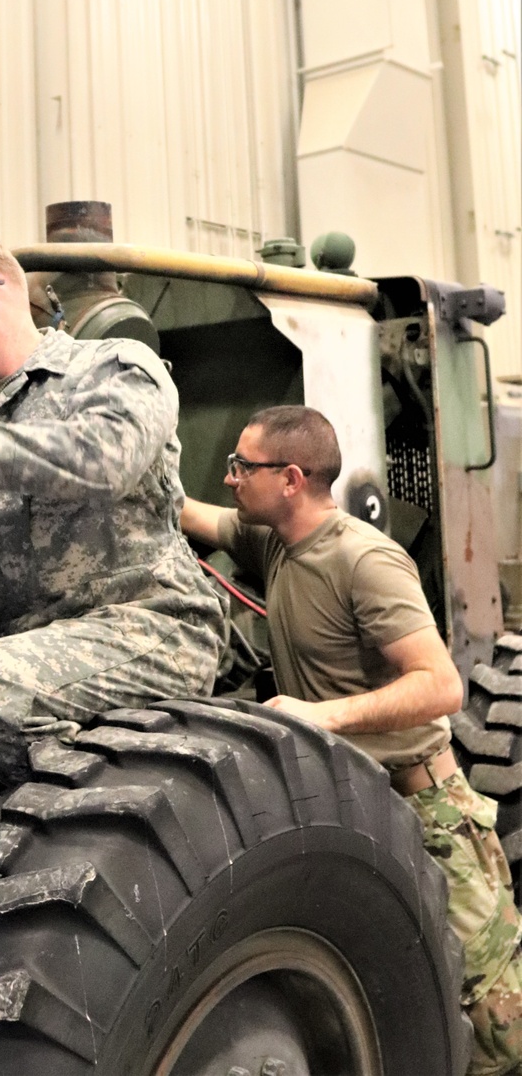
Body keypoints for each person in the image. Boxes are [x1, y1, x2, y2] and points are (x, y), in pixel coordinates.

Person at [179, 404, 522, 1076]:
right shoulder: (270, 540)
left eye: (241, 467)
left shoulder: (364, 560)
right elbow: (192, 515)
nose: (229, 479)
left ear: (291, 479)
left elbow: (441, 686)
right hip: (346, 807)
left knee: (496, 1028)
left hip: (423, 810)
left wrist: (322, 715)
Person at [0, 234, 227, 852]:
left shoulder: (112, 366)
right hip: (34, 656)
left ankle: (125, 844)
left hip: (151, 626)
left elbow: (105, 460)